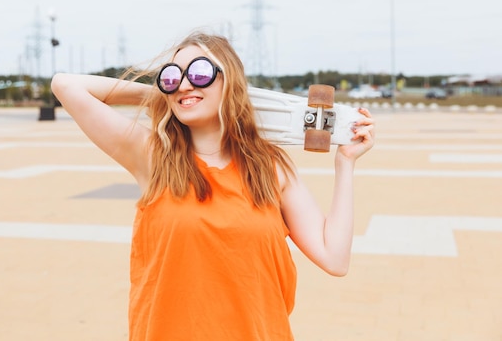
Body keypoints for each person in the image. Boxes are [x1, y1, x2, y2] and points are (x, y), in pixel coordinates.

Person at [51, 31, 375, 340]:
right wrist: (165, 94)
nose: (184, 82)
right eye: (172, 76)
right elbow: (66, 85)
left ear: (229, 80)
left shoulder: (269, 169)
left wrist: (345, 164)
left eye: (200, 71)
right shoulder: (154, 158)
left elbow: (335, 259)